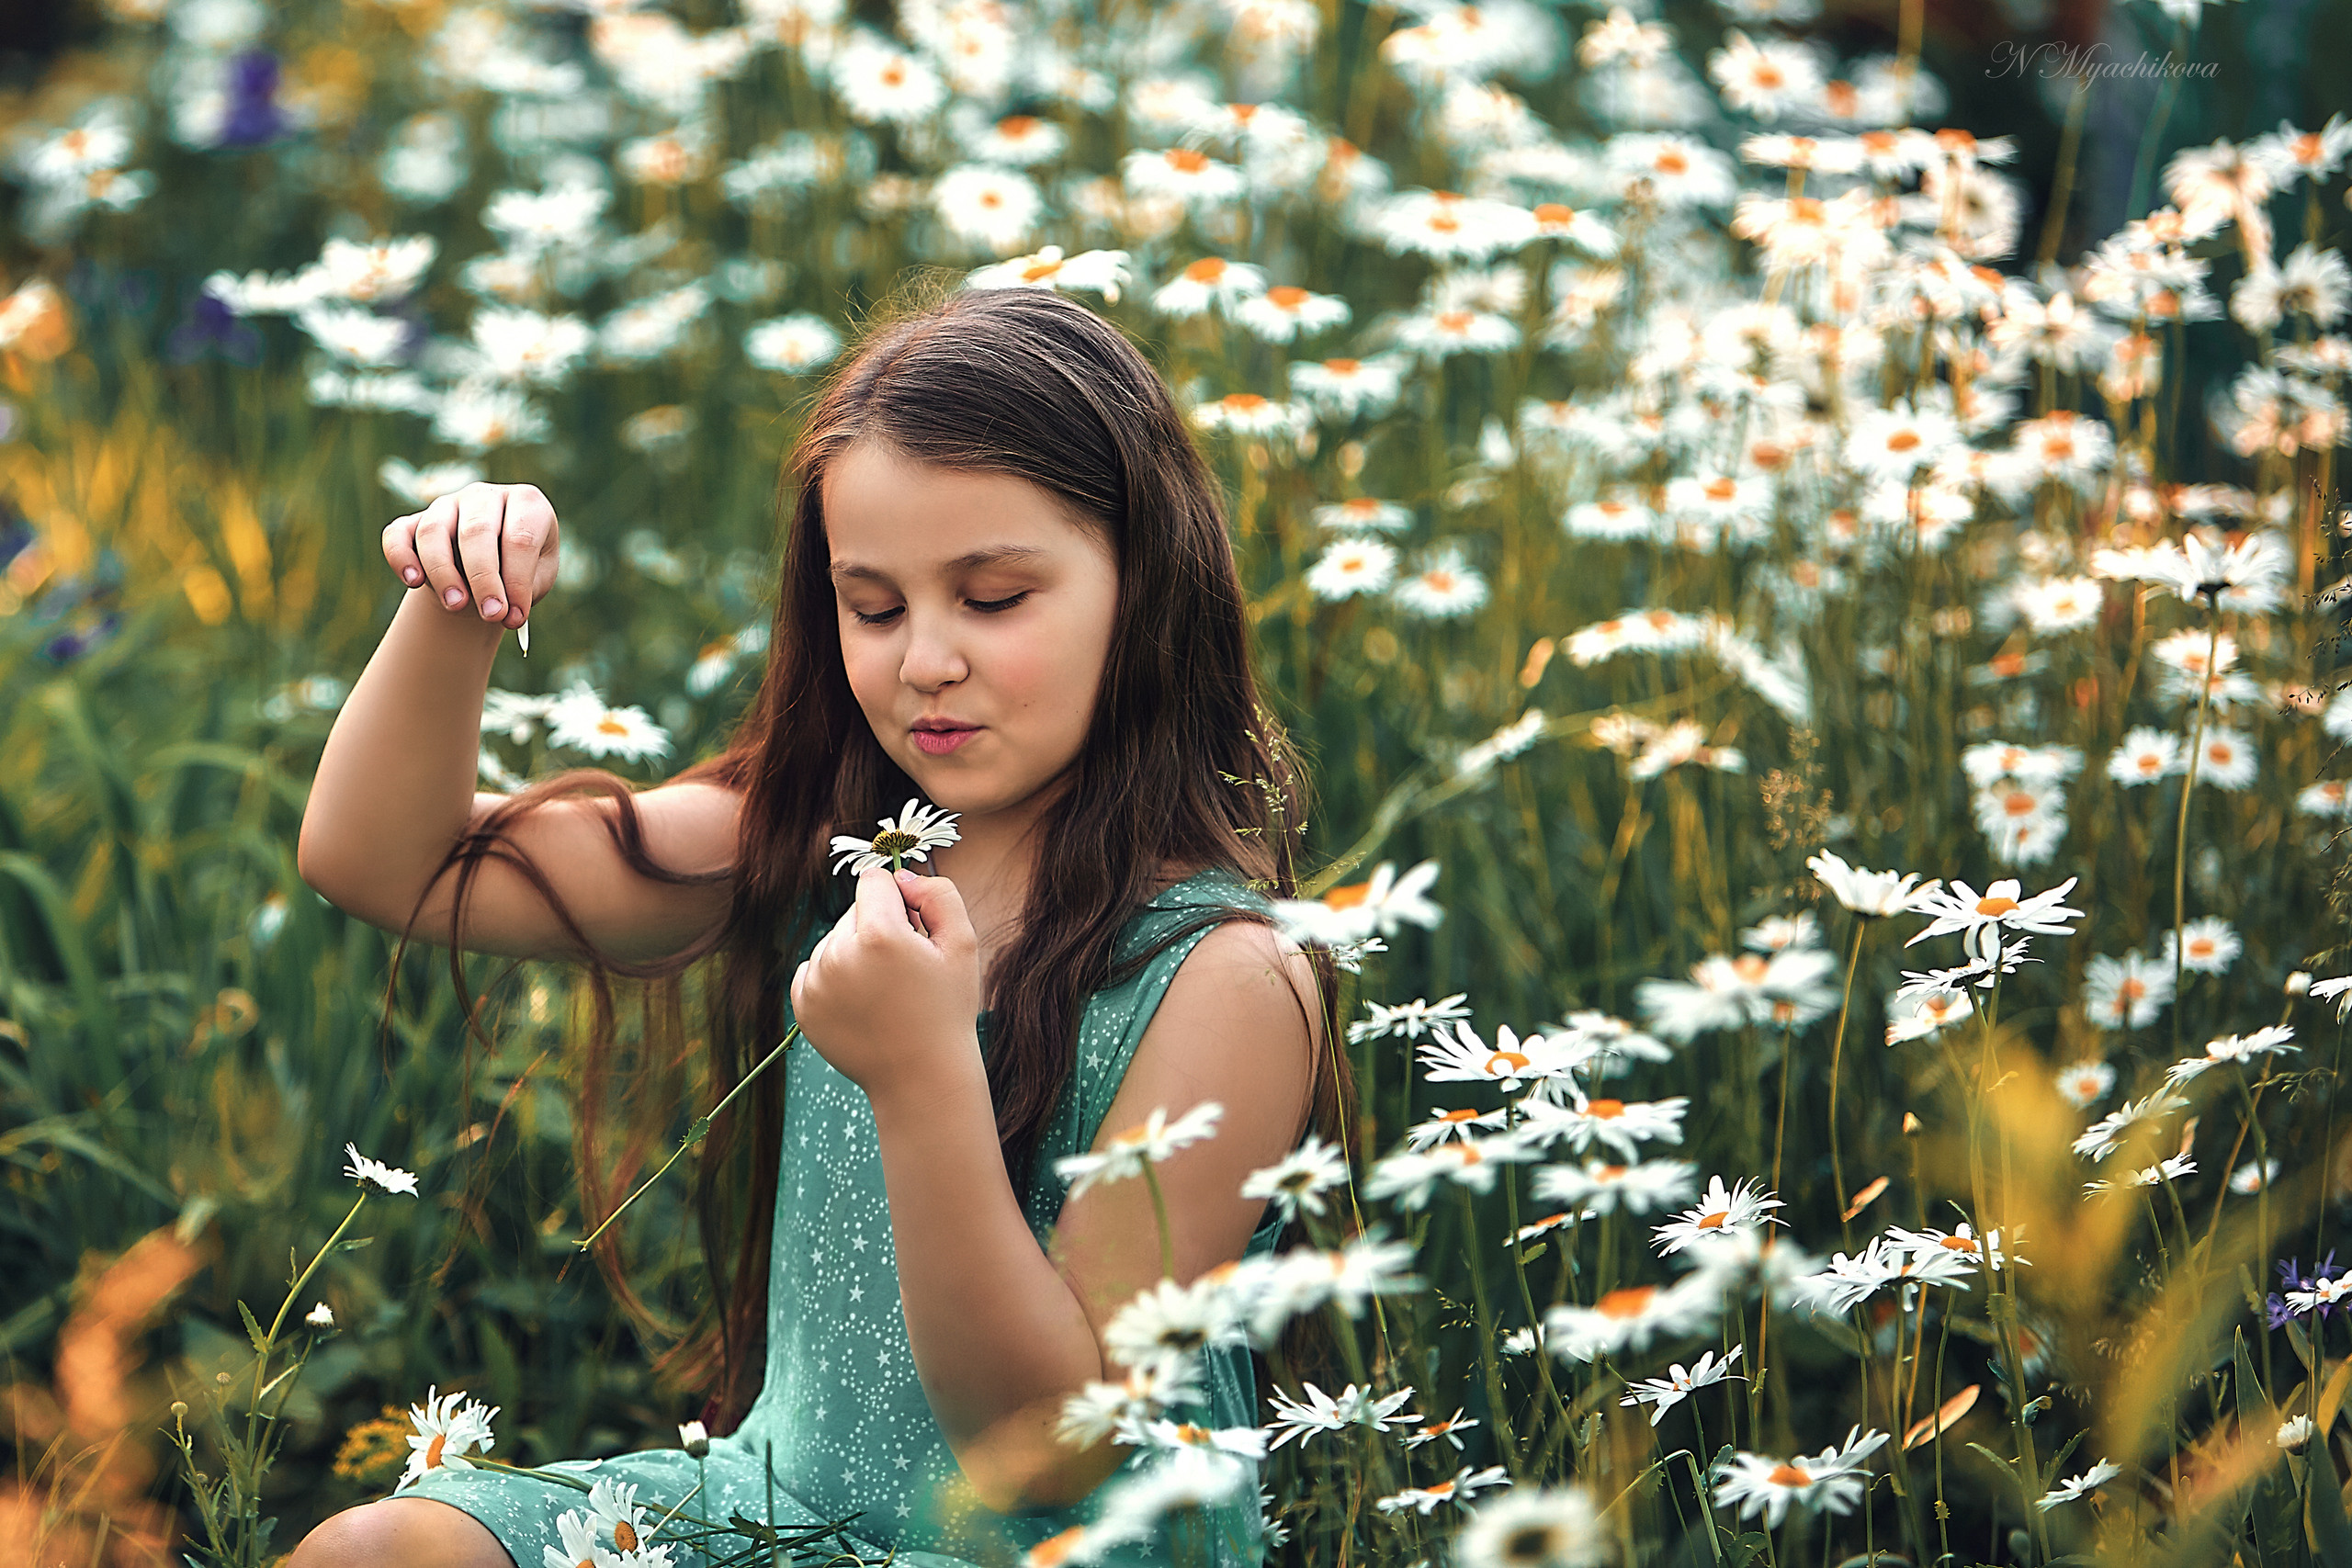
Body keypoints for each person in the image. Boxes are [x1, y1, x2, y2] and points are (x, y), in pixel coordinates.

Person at [288, 280, 1356, 1568]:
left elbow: (1052, 1443)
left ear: (1147, 582)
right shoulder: (817, 839)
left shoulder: (1224, 972)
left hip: (1044, 1550)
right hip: (775, 1509)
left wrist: (920, 1073)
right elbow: (384, 864)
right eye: (876, 604)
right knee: (376, 1553)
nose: (925, 661)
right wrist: (458, 603)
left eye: (996, 598)